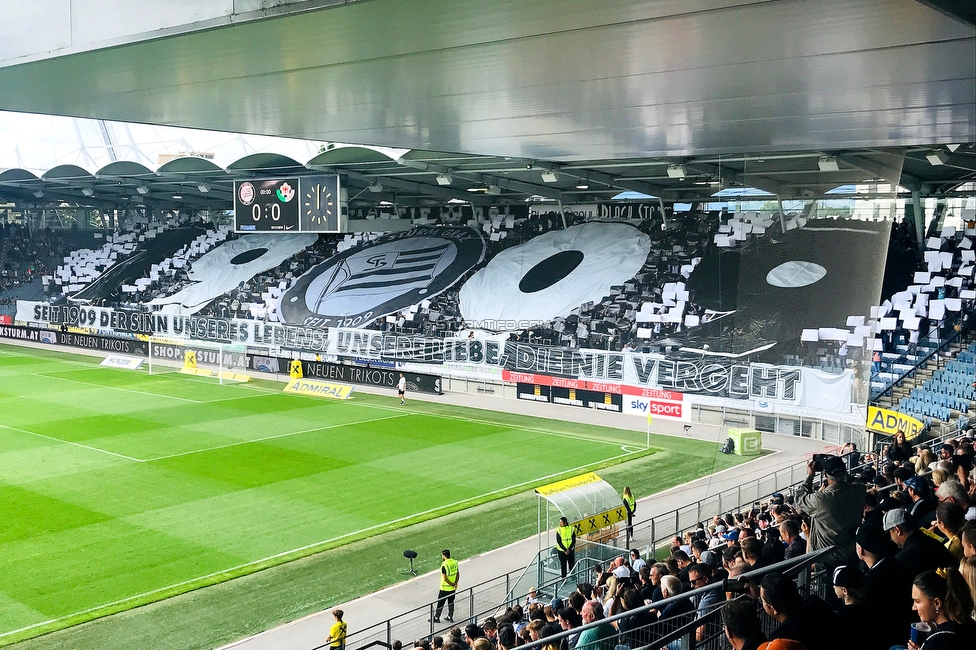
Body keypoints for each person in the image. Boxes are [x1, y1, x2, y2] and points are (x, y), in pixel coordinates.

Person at [792, 454, 865, 570]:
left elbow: (800, 497)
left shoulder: (821, 499)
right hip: (852, 553)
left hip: (827, 559)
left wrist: (810, 476)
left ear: (826, 475)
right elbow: (856, 481)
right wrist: (841, 472)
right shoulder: (859, 490)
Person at [898, 569, 976, 649]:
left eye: (917, 601)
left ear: (937, 603)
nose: (913, 608)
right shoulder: (968, 622)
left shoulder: (938, 642)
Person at [884, 508, 957, 579]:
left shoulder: (900, 560)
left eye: (890, 533)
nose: (891, 538)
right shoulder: (935, 543)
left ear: (897, 530)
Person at [434, 549, 460, 623]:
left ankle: (437, 617)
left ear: (443, 556)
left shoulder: (444, 565)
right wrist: (455, 582)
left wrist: (451, 583)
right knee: (451, 603)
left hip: (444, 588)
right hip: (452, 588)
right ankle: (450, 616)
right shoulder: (455, 562)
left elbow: (444, 577)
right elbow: (457, 573)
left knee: (440, 603)